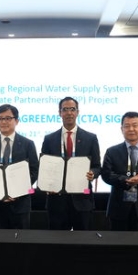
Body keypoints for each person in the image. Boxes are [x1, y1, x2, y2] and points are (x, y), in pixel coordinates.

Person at [40, 96, 101, 230]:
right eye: (65, 109)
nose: (69, 113)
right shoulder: (49, 139)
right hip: (56, 201)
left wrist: (93, 173)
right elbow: (44, 167)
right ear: (59, 113)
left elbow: (97, 166)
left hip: (82, 201)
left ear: (77, 112)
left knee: (83, 240)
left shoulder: (90, 138)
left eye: (72, 109)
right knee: (57, 240)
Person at [0, 104, 39, 229]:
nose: (3, 122)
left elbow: (34, 171)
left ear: (16, 121)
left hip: (20, 204)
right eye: (0, 118)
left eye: (8, 118)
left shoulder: (28, 144)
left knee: (19, 239)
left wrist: (17, 190)